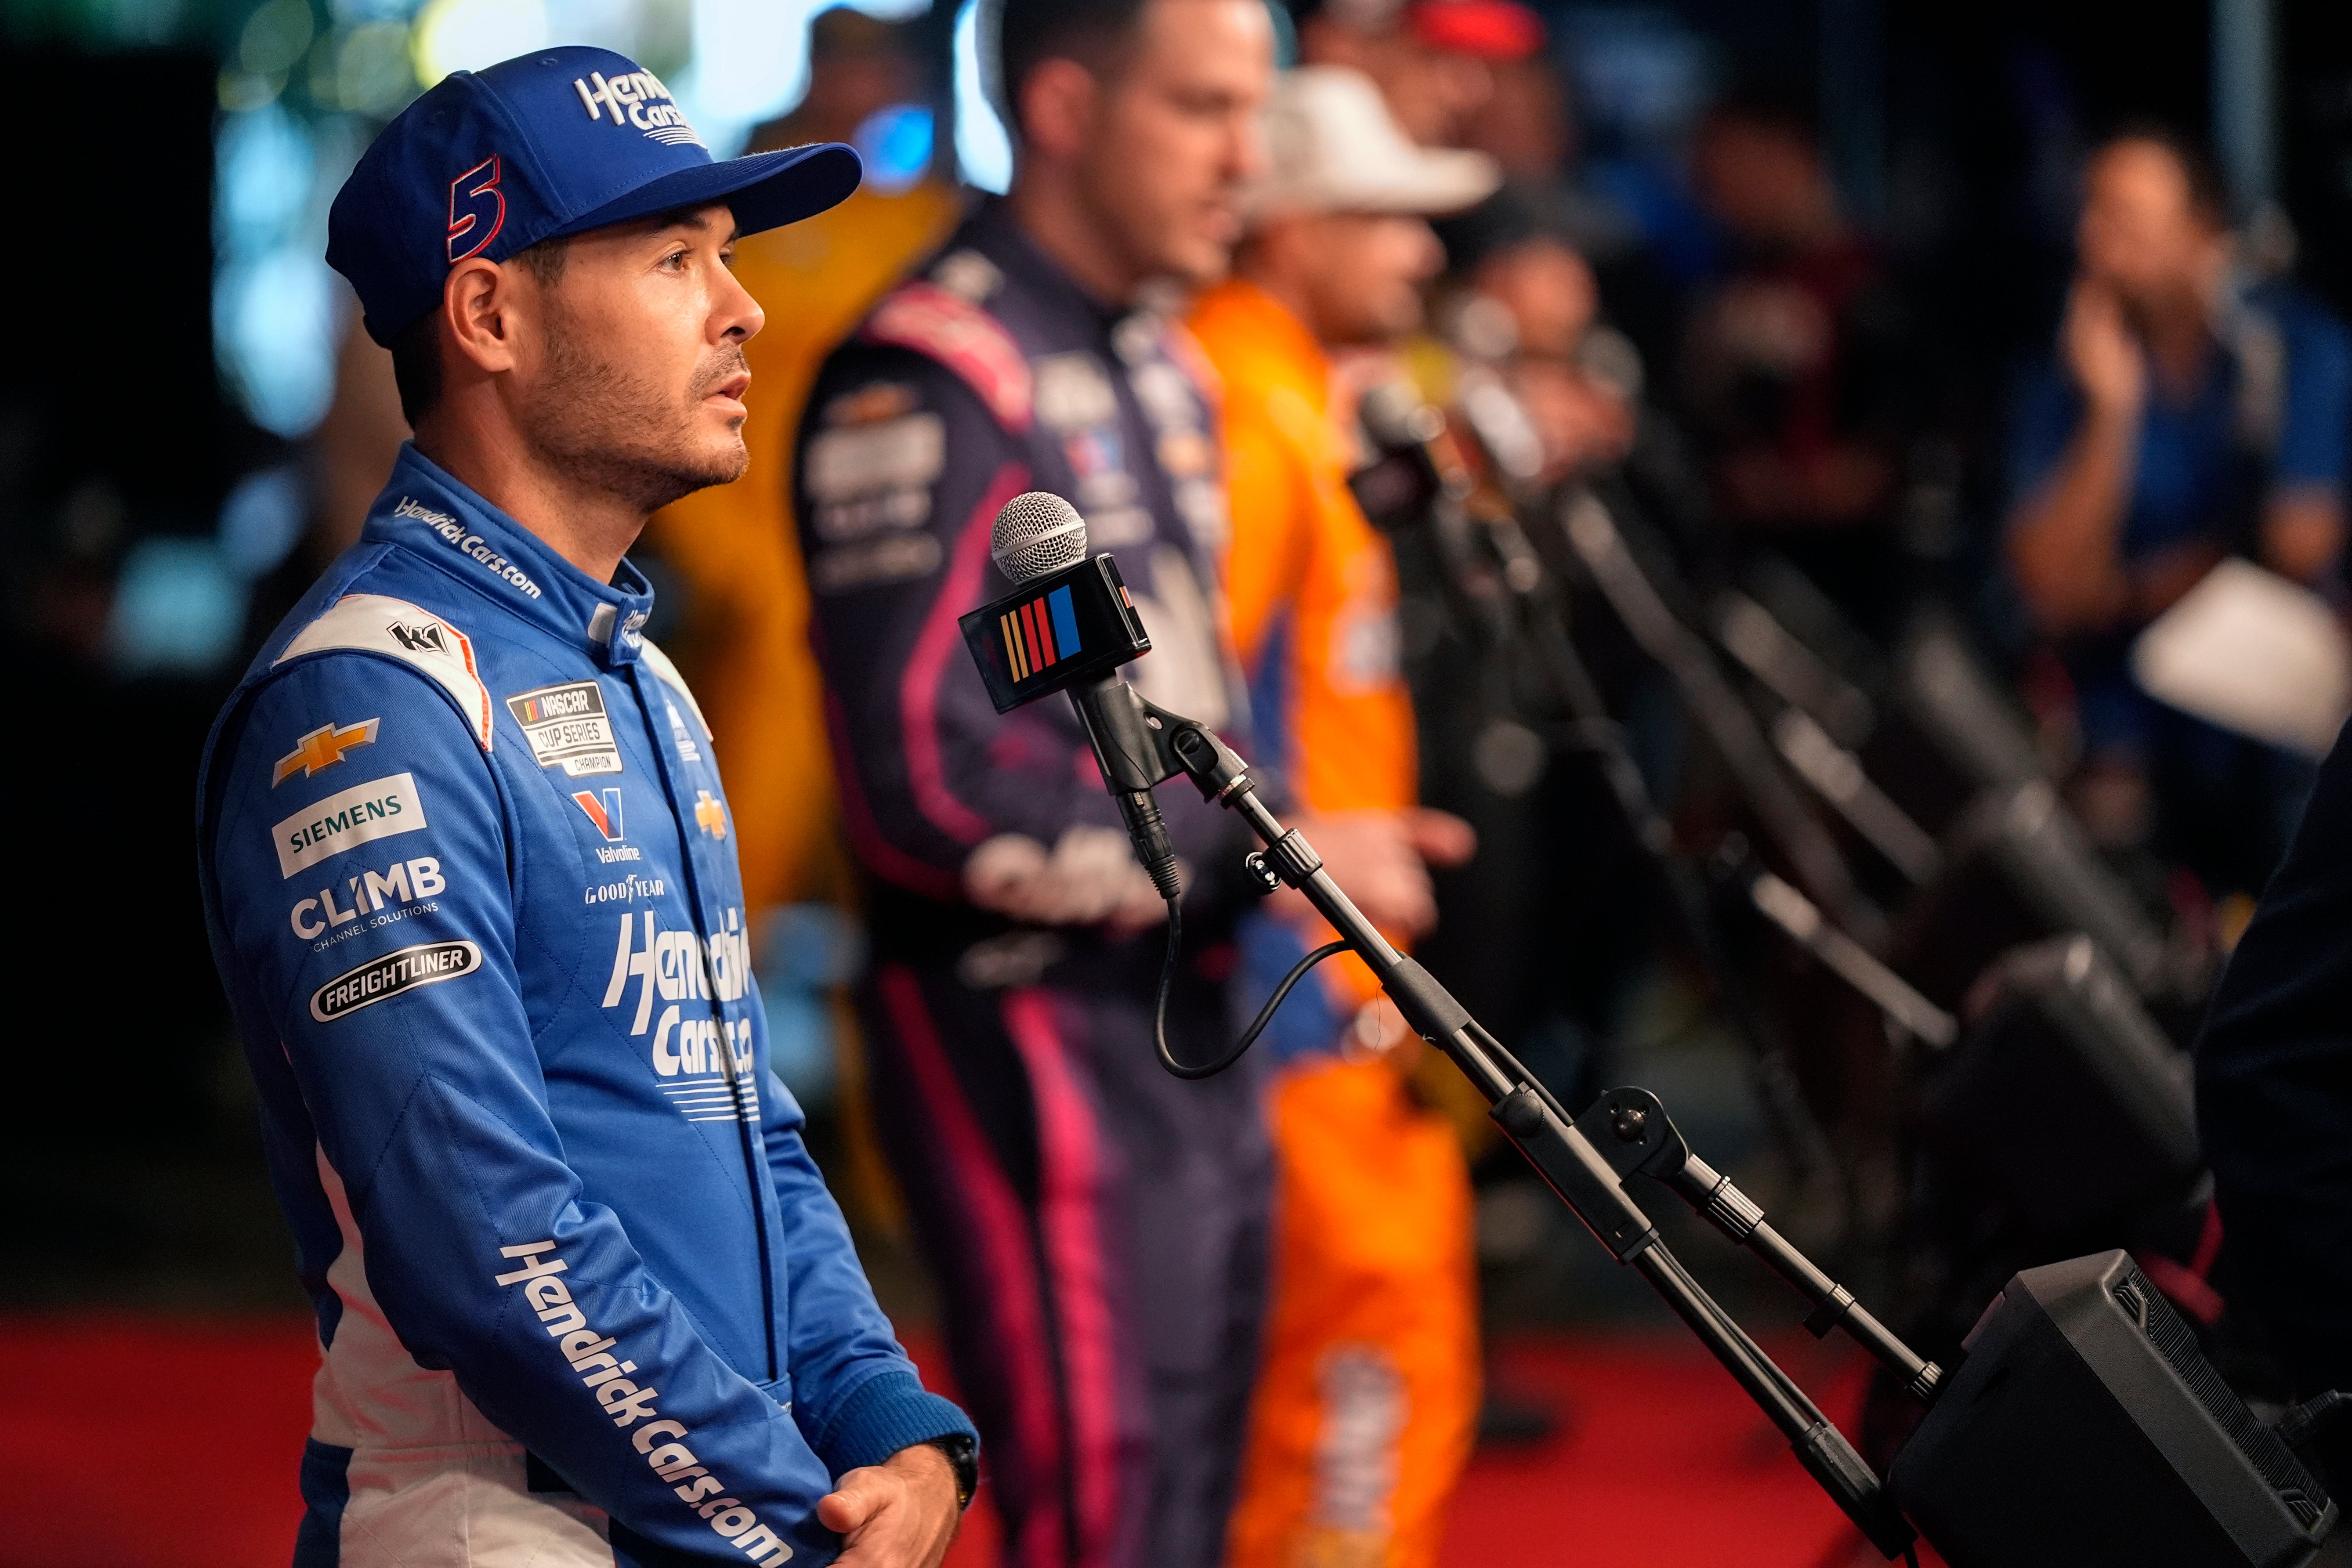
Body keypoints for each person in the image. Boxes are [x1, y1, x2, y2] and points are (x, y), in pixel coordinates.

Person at [194, 48, 977, 1566]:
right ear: (488, 314)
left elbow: (749, 1124)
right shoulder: (366, 702)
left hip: (704, 1513)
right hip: (511, 1529)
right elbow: (484, 1242)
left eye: (728, 259)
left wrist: (889, 1419)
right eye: (675, 257)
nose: (741, 307)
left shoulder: (640, 676)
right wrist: (796, 1520)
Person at [792, 2, 1285, 1564]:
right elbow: (930, 780)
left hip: (1184, 1014)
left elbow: (1137, 719)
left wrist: (1260, 842)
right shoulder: (936, 372)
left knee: (1185, 1509)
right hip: (1029, 1032)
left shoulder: (1146, 350)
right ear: (1064, 106)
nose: (1244, 157)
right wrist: (1252, 846)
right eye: (1203, 107)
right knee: (1108, 1518)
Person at [1187, 65, 1491, 1568]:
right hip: (1293, 999)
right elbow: (1178, 720)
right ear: (1287, 229)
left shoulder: (1301, 394)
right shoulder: (1247, 406)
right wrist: (1305, 859)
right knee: (1359, 1374)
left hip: (1318, 990)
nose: (1418, 251)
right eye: (1378, 217)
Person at [646, 7, 963, 924]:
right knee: (733, 864)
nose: (872, 86)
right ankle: (703, 1054)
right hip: (772, 596)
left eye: (887, 67)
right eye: (853, 64)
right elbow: (670, 395)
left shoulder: (916, 221)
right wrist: (728, 569)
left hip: (900, 592)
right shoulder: (733, 221)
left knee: (904, 869)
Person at [2006, 129, 2352, 889]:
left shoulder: (2291, 349)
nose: (2095, 241)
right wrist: (2110, 410)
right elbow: (2052, 590)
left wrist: (2126, 592)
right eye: (2089, 215)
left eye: (2125, 218)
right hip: (2120, 750)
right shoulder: (2063, 379)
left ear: (2204, 233)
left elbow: (2296, 543)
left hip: (2272, 745)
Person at [1679, 87, 1915, 632]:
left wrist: (1805, 489)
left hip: (1862, 589)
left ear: (1790, 153)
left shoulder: (1878, 290)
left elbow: (1895, 458)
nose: (1718, 195)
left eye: (1734, 167)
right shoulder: (1726, 287)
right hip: (1756, 585)